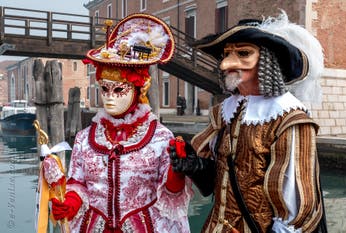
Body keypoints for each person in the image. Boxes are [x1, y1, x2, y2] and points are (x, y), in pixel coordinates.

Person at [170, 11, 327, 233]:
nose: (226, 64)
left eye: (243, 53)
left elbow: (299, 204)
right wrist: (196, 166)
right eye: (226, 54)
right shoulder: (225, 113)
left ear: (266, 61)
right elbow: (220, 178)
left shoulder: (288, 119)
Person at [43, 13, 193, 233]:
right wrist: (71, 203)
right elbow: (79, 182)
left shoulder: (161, 137)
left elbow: (170, 194)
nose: (109, 97)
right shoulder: (85, 138)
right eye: (104, 89)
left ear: (138, 89)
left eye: (119, 89)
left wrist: (178, 171)